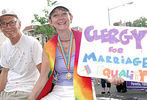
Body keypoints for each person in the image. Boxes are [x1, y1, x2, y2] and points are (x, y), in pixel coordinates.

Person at [29, 4, 124, 100]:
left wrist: (110, 78)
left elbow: (98, 66)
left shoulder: (86, 40)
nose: (60, 18)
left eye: (64, 13)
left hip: (83, 89)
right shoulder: (48, 46)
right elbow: (43, 78)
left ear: (71, 18)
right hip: (59, 91)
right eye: (55, 15)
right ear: (50, 22)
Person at [0, 9, 42, 100]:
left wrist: (33, 96)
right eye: (3, 23)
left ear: (19, 24)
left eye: (12, 22)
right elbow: (4, 72)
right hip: (8, 91)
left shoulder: (32, 43)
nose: (8, 27)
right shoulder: (5, 46)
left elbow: (43, 72)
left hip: (27, 91)